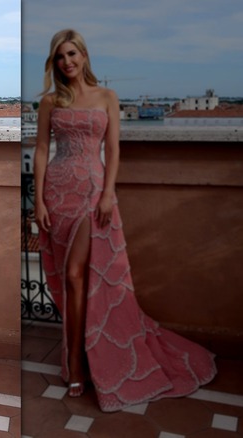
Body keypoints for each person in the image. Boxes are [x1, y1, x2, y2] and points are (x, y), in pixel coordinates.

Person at [34, 28, 216, 411]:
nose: (67, 62)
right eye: (61, 57)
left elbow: (113, 149)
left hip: (92, 193)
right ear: (56, 63)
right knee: (72, 279)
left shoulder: (108, 97)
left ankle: (78, 362)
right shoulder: (51, 100)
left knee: (76, 274)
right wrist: (39, 201)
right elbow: (39, 150)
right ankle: (77, 354)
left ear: (84, 56)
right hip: (59, 189)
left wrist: (108, 192)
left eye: (72, 55)